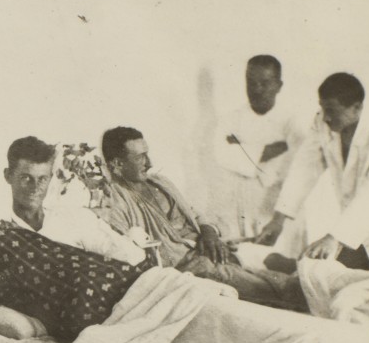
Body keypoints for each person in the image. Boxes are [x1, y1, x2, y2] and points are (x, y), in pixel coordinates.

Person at [95, 126, 303, 307]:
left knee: (272, 260)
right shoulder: (116, 200)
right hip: (190, 266)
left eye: (147, 154)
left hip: (210, 247)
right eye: (140, 157)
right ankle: (306, 291)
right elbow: (128, 250)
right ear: (117, 165)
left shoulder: (160, 182)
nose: (149, 163)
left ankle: (310, 283)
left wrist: (209, 233)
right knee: (280, 287)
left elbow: (196, 214)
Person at [0, 136, 152, 341]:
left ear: (51, 177)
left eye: (42, 178)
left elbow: (130, 258)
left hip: (128, 307)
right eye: (26, 178)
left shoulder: (71, 218)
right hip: (86, 326)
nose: (35, 187)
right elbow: (11, 302)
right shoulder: (3, 241)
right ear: (8, 176)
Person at [257, 72, 369, 273]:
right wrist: (279, 218)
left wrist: (334, 237)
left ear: (356, 108)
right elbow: (304, 168)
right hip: (352, 227)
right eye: (322, 107)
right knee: (329, 278)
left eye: (331, 110)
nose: (325, 117)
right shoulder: (323, 121)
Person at [209, 55, 306, 251]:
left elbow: (298, 163)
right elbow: (222, 155)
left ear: (279, 85)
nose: (257, 89)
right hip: (239, 203)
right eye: (251, 82)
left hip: (276, 206)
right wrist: (274, 149)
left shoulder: (293, 123)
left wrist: (242, 148)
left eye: (265, 83)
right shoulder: (230, 119)